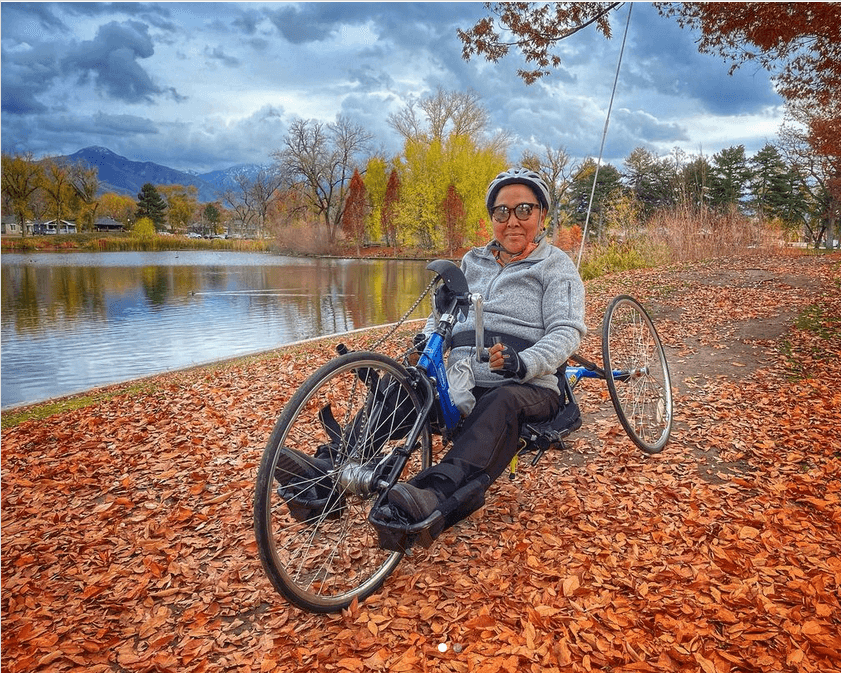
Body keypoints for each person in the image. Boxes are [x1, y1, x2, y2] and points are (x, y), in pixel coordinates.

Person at [384, 167, 587, 528]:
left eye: (524, 210)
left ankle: (436, 493)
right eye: (502, 212)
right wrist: (426, 343)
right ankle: (331, 467)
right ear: (492, 217)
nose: (513, 221)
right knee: (403, 387)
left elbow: (566, 331)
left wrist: (522, 363)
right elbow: (441, 317)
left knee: (502, 400)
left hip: (529, 384)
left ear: (541, 214)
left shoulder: (556, 267)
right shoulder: (471, 261)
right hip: (461, 376)